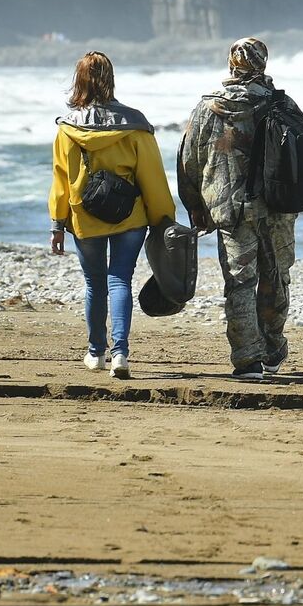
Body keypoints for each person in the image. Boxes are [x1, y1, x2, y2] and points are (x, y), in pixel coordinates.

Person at [177, 37, 300, 381]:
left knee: (240, 283)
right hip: (276, 208)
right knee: (276, 278)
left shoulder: (207, 108)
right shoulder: (280, 103)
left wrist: (195, 207)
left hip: (228, 209)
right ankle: (273, 350)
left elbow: (189, 161)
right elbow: (302, 153)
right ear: (263, 64)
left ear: (232, 64)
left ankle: (247, 361)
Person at [48, 51, 176, 380]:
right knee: (120, 279)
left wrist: (57, 225)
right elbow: (152, 177)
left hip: (85, 219)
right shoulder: (135, 125)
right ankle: (120, 353)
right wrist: (164, 218)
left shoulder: (67, 129)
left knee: (95, 283)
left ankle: (96, 353)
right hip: (129, 218)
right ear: (111, 79)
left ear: (80, 81)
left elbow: (61, 181)